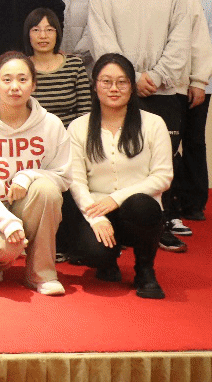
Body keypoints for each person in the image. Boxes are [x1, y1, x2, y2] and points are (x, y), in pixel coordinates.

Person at [86, 0, 200, 255]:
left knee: (161, 162)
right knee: (117, 160)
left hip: (165, 90)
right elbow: (102, 40)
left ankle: (158, 225)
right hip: (118, 91)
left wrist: (157, 75)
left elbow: (181, 38)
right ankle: (118, 228)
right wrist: (131, 79)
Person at [0, 52, 71, 296]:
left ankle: (42, 274)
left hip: (27, 206)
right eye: (7, 80)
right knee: (5, 250)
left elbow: (63, 176)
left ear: (34, 84)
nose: (15, 87)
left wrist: (28, 175)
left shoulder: (51, 124)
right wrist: (6, 222)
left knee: (47, 189)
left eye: (23, 79)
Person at [68, 53, 171, 299]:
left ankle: (144, 270)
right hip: (97, 209)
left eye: (122, 82)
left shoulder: (153, 124)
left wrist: (116, 198)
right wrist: (95, 218)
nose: (114, 89)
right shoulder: (78, 127)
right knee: (92, 252)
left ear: (132, 87)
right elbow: (76, 182)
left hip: (138, 209)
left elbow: (163, 176)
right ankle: (107, 261)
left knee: (142, 205)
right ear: (95, 86)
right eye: (106, 82)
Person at [167, 0, 212, 223]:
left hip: (200, 82)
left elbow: (210, 40)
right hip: (170, 82)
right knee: (167, 143)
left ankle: (195, 201)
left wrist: (198, 78)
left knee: (194, 141)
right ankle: (171, 200)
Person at [25, 8, 89, 125]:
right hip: (33, 134)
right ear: (28, 34)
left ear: (57, 34)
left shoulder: (75, 65)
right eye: (36, 30)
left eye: (49, 30)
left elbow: (85, 111)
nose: (43, 35)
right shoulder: (22, 68)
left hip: (70, 134)